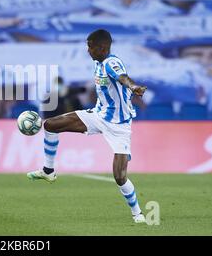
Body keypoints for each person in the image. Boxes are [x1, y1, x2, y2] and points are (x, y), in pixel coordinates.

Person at [27, 29, 148, 224]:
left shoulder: (111, 62)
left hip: (119, 126)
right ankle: (48, 171)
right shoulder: (97, 62)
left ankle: (138, 213)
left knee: (119, 176)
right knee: (50, 124)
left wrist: (133, 87)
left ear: (102, 47)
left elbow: (123, 77)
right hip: (98, 115)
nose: (88, 50)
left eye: (90, 47)